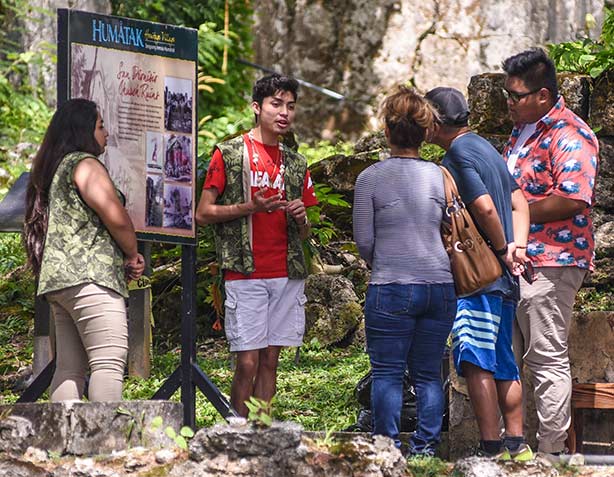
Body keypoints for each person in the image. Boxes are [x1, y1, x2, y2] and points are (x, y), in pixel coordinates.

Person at [195, 73, 317, 417]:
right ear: (256, 107)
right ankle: (237, 432)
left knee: (270, 361)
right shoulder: (230, 154)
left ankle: (261, 433)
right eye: (276, 104)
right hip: (245, 272)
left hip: (286, 272)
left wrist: (300, 218)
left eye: (290, 106)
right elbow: (202, 213)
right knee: (247, 361)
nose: (284, 113)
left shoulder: (296, 162)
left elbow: (306, 234)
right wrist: (248, 207)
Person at [425, 86, 532, 459]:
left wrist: (503, 251)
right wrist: (517, 249)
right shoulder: (487, 148)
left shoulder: (457, 153)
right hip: (504, 280)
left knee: (476, 361)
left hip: (479, 279)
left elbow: (485, 208)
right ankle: (516, 445)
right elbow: (519, 202)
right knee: (504, 360)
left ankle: (489, 448)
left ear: (436, 122)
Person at [502, 48, 599, 455]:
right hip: (518, 261)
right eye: (506, 94)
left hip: (552, 262)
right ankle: (515, 449)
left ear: (543, 95)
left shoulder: (570, 133)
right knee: (509, 359)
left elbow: (574, 199)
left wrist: (513, 217)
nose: (508, 102)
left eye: (516, 95)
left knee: (545, 358)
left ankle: (551, 454)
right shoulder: (524, 128)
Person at [353, 85, 456, 456]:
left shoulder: (370, 178)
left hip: (390, 285)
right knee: (429, 373)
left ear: (387, 131)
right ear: (425, 133)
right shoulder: (440, 176)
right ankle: (426, 448)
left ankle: (388, 448)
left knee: (387, 373)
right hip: (440, 286)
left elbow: (364, 240)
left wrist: (383, 260)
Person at [23, 98, 144, 402]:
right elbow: (115, 217)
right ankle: (104, 443)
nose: (106, 133)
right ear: (82, 130)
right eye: (100, 126)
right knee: (108, 361)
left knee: (69, 370)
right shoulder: (85, 164)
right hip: (92, 278)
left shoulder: (54, 169)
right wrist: (132, 254)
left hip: (61, 282)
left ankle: (63, 444)